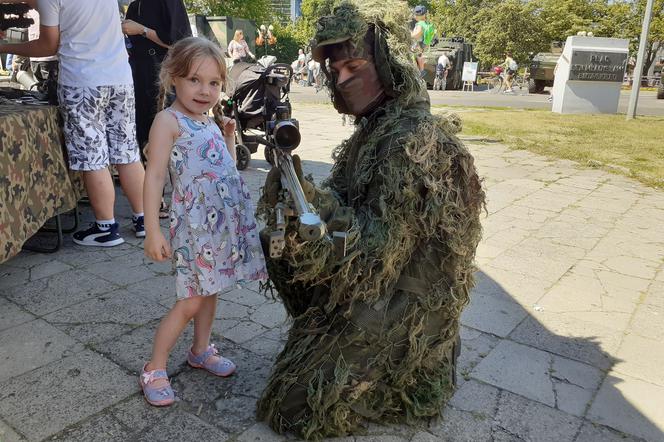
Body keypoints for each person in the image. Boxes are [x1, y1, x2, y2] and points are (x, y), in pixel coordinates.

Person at [256, 0, 484, 439]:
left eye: (355, 65)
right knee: (278, 238)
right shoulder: (378, 128)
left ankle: (400, 373)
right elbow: (350, 206)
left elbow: (377, 255)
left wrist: (317, 206)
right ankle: (331, 334)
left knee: (292, 408)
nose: (343, 80)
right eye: (336, 71)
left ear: (388, 61)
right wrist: (302, 195)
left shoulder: (411, 142)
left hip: (407, 303)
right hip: (386, 286)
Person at [140, 37, 268, 406]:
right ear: (172, 77)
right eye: (195, 80)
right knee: (191, 300)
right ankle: (155, 366)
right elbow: (155, 176)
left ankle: (200, 349)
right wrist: (152, 229)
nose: (204, 90)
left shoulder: (209, 122)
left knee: (211, 291)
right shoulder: (168, 121)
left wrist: (228, 137)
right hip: (194, 228)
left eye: (213, 83)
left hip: (218, 227)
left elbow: (224, 170)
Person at [0, 0, 146, 247]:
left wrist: (3, 46)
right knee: (127, 152)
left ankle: (106, 228)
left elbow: (48, 44)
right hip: (119, 78)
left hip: (83, 81)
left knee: (93, 157)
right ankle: (145, 220)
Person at [122, 0, 191, 153]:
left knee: (163, 127)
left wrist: (142, 30)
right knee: (142, 128)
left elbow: (180, 42)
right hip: (137, 73)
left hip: (162, 74)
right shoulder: (135, 5)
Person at [26, 8, 58, 100]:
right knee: (53, 96)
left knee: (39, 96)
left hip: (35, 58)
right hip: (51, 58)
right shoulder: (53, 7)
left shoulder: (32, 8)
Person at [410, 4, 436, 75]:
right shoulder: (427, 23)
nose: (414, 16)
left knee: (411, 53)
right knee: (420, 55)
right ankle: (422, 69)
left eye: (415, 14)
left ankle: (420, 70)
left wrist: (410, 34)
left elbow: (416, 35)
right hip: (424, 44)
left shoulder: (420, 24)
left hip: (418, 43)